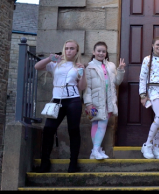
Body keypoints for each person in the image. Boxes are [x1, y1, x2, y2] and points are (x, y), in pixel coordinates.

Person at [34, 39, 86, 173]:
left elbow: (81, 87)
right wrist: (49, 58)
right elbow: (37, 67)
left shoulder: (78, 66)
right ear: (64, 49)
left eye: (72, 48)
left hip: (73, 100)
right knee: (48, 130)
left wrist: (83, 72)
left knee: (73, 131)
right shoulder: (55, 63)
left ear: (76, 51)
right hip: (57, 100)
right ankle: (45, 163)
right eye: (67, 48)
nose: (69, 50)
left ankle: (73, 163)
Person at [84, 41, 126, 160]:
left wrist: (121, 70)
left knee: (102, 124)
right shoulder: (90, 67)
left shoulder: (111, 65)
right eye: (99, 51)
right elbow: (88, 88)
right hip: (95, 100)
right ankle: (96, 150)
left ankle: (96, 150)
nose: (101, 53)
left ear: (106, 52)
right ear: (94, 52)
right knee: (96, 124)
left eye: (103, 51)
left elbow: (117, 82)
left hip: (108, 101)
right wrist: (88, 103)